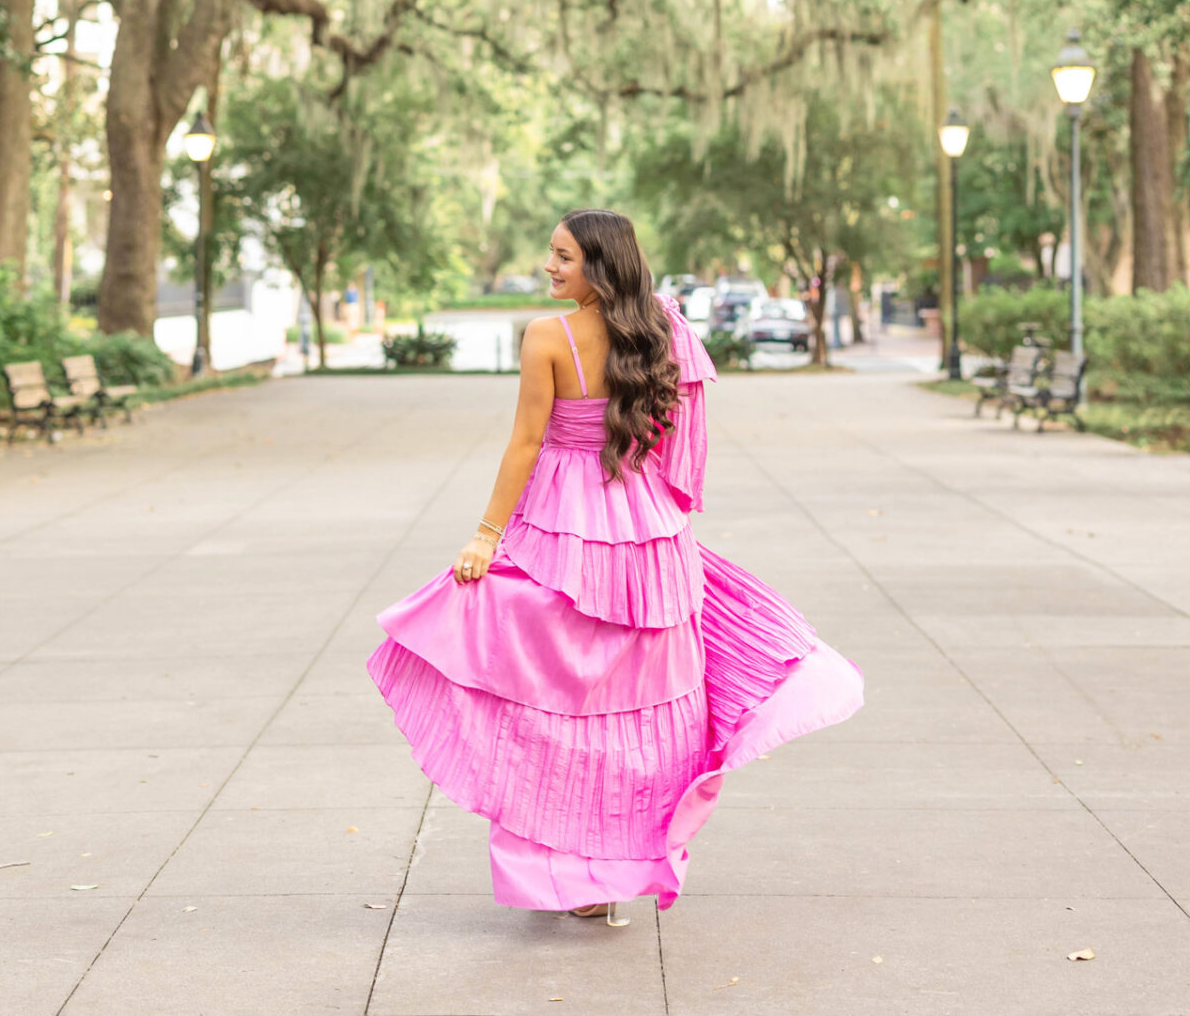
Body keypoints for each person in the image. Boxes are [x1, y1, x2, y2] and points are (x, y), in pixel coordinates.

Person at [368, 208, 863, 918]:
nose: (549, 266)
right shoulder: (663, 327)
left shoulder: (547, 335)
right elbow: (678, 441)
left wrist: (484, 535)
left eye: (563, 256)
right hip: (647, 531)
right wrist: (658, 505)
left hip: (564, 524)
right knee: (642, 717)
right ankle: (613, 871)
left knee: (555, 708)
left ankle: (574, 878)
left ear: (599, 266)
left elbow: (525, 444)